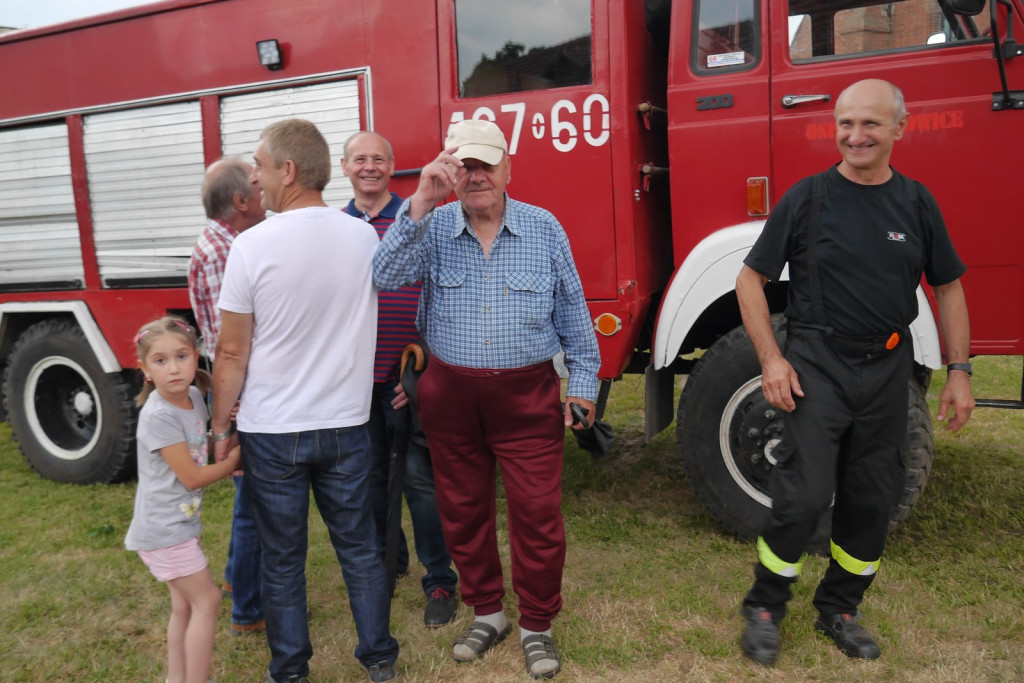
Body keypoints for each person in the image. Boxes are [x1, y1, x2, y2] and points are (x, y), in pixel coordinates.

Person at [734, 79, 975, 666]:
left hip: (888, 369)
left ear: (899, 127)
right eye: (845, 123)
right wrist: (772, 359)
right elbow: (750, 280)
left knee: (872, 500)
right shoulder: (808, 198)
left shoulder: (917, 203)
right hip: (818, 365)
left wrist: (960, 371)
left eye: (869, 124)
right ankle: (765, 605)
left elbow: (948, 287)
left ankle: (839, 606)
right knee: (805, 495)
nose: (855, 135)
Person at [373, 119, 600, 679]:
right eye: (464, 166)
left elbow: (572, 310)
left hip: (526, 395)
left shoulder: (544, 228)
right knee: (463, 511)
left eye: (485, 165)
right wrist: (420, 199)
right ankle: (488, 612)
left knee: (538, 514)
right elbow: (382, 275)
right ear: (451, 171)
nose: (475, 177)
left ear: (507, 168)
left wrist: (584, 383)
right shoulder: (431, 225)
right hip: (451, 395)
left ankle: (537, 626)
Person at [210, 118, 399, 683]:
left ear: (288, 171)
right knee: (361, 549)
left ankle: (290, 669)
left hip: (273, 431)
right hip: (346, 423)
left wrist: (221, 428)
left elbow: (231, 352)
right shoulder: (363, 236)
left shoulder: (250, 245)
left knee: (283, 558)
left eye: (261, 167)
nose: (255, 179)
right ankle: (380, 659)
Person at [340, 130, 458, 628]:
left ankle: (440, 579)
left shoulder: (419, 218)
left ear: (393, 166)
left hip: (411, 373)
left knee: (419, 481)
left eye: (378, 158)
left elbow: (443, 295)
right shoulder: (334, 227)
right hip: (353, 383)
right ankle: (389, 562)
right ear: (344, 167)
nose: (369, 166)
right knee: (368, 480)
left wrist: (421, 367)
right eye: (359, 159)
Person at [125, 316, 242, 683]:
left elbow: (196, 451)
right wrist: (238, 460)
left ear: (196, 357)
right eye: (161, 361)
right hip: (164, 530)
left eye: (181, 357)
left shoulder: (193, 397)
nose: (173, 368)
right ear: (144, 368)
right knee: (206, 600)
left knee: (184, 605)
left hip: (178, 525)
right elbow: (192, 475)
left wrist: (225, 440)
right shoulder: (157, 415)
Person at [188, 156, 266, 636]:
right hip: (243, 397)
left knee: (251, 500)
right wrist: (231, 414)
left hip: (242, 394)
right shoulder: (222, 252)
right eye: (256, 189)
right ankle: (249, 608)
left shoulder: (230, 242)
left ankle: (242, 585)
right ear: (240, 202)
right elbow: (229, 341)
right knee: (254, 504)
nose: (264, 194)